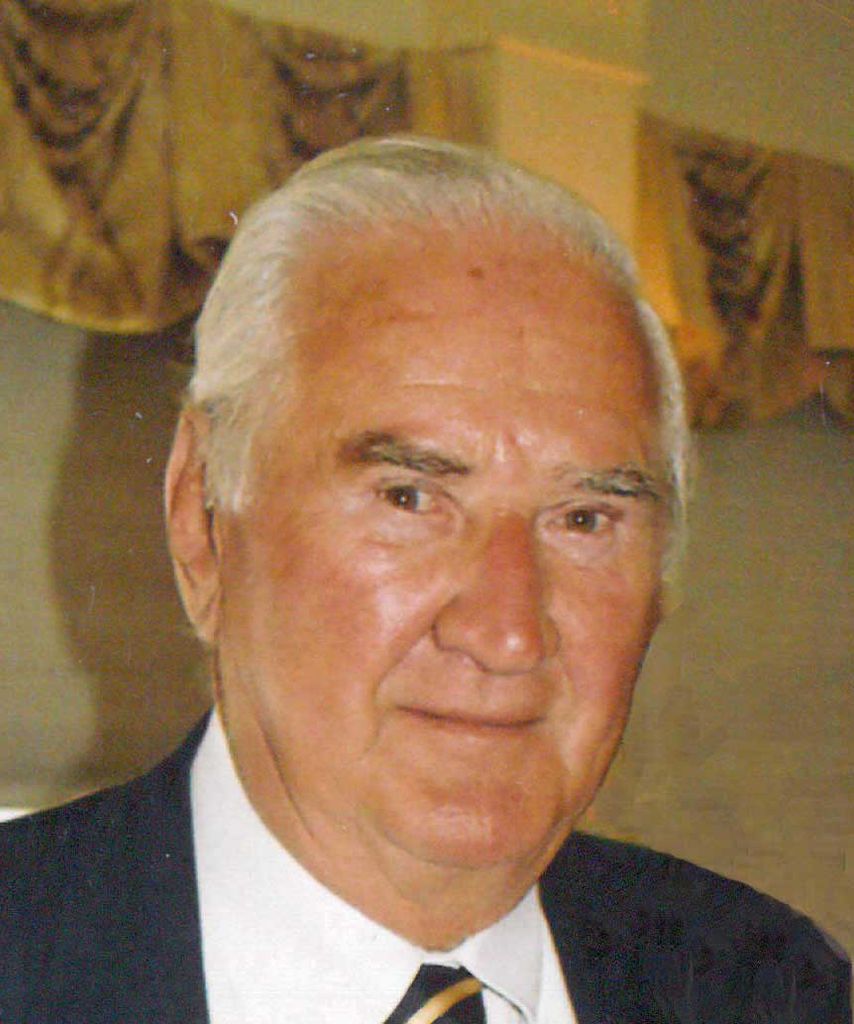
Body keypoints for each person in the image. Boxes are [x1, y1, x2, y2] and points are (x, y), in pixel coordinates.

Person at [0, 136, 848, 1024]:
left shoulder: (778, 989)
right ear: (201, 518)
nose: (507, 634)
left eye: (584, 520)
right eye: (409, 498)